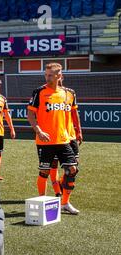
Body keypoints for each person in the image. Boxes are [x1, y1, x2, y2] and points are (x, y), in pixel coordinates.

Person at [27, 63, 80, 214]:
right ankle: (42, 202)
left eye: (50, 75)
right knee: (44, 172)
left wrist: (76, 132)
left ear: (58, 76)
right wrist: (39, 131)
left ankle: (65, 203)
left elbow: (72, 115)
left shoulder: (68, 93)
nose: (47, 77)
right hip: (45, 140)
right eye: (46, 74)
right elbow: (30, 114)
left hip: (63, 140)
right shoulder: (39, 92)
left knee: (72, 169)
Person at [49, 77, 83, 198]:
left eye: (58, 75)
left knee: (74, 165)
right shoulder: (48, 93)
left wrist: (79, 130)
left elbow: (74, 112)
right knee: (53, 164)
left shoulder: (70, 93)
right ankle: (58, 192)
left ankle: (62, 184)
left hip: (70, 135)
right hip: (55, 136)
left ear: (61, 77)